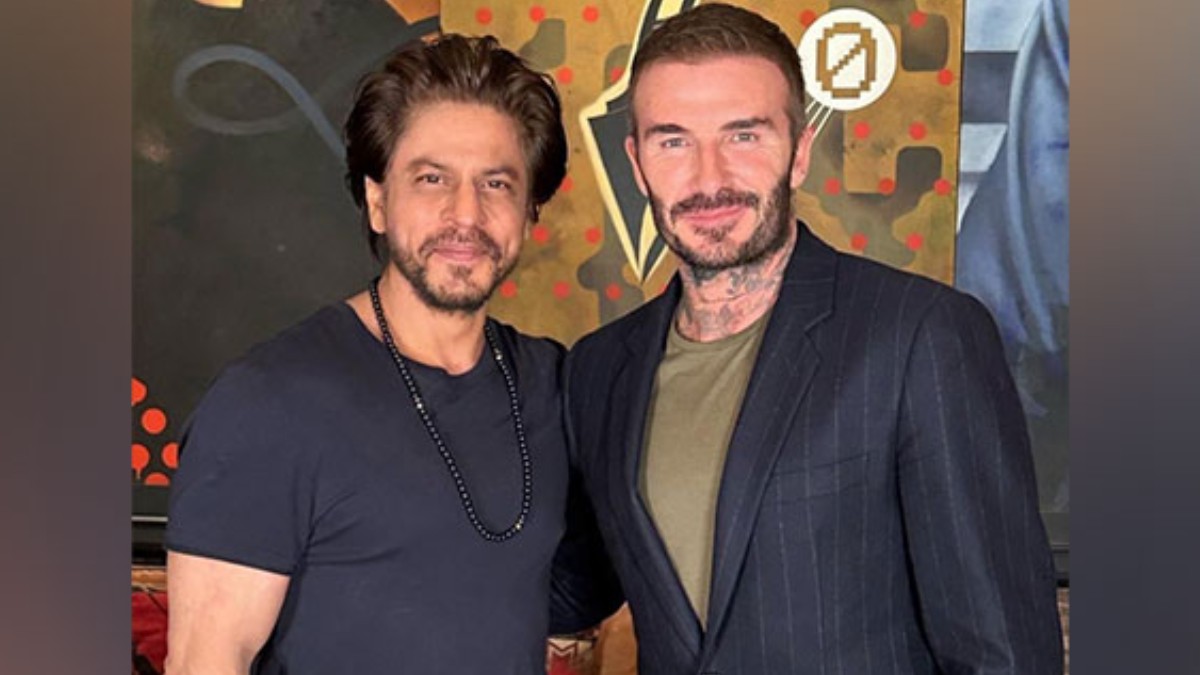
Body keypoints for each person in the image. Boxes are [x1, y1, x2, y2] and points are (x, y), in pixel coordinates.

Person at [564, 4, 1063, 674]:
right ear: (636, 162)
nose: (709, 178)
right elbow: (568, 586)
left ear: (799, 152)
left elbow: (1003, 652)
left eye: (744, 135)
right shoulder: (599, 370)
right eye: (673, 141)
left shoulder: (922, 336)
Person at [165, 34, 619, 675]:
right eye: (432, 179)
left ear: (529, 212)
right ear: (378, 202)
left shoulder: (553, 386)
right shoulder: (269, 402)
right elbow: (206, 661)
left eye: (496, 183)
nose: (466, 214)